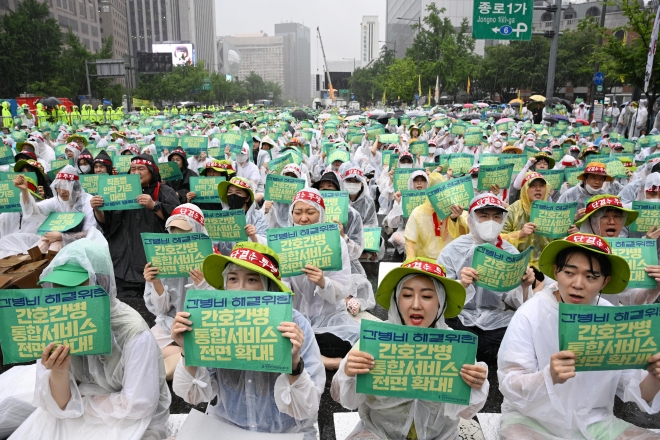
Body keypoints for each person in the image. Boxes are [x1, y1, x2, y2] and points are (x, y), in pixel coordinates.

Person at [497, 233, 660, 439]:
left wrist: (654, 378)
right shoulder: (531, 312)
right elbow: (510, 381)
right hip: (532, 419)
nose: (578, 284)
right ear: (556, 272)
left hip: (594, 422)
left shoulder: (611, 318)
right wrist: (548, 376)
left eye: (591, 277)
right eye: (570, 273)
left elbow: (635, 387)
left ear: (605, 281)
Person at [8, 236, 170, 440]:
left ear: (102, 282)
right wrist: (59, 372)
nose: (67, 296)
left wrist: (82, 403)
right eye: (60, 287)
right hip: (83, 409)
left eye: (76, 286)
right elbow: (60, 404)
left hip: (128, 419)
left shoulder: (132, 332)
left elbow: (139, 404)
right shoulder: (54, 325)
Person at [170, 242, 325, 439]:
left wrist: (294, 363)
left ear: (268, 286)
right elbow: (193, 395)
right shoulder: (213, 319)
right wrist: (188, 349)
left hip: (285, 432)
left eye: (252, 280)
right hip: (227, 427)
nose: (240, 288)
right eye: (233, 279)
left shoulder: (294, 324)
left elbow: (306, 408)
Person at [332, 257, 489, 440]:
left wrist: (476, 384)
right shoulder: (377, 339)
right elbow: (340, 396)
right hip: (379, 433)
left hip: (440, 435)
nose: (416, 304)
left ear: (441, 302)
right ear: (396, 301)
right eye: (407, 295)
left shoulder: (455, 346)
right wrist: (348, 372)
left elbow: (467, 411)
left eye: (427, 296)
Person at [437, 194, 535, 363]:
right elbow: (438, 293)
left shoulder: (510, 252)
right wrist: (461, 284)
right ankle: (488, 354)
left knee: (521, 329)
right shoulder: (453, 249)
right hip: (460, 316)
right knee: (442, 327)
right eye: (484, 216)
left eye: (496, 217)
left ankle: (476, 353)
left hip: (495, 317)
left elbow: (514, 301)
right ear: (472, 219)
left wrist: (524, 286)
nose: (491, 222)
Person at [285, 188, 358, 370]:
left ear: (321, 214)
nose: (303, 218)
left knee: (350, 342)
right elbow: (277, 284)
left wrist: (323, 283)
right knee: (282, 338)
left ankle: (308, 358)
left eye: (310, 212)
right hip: (294, 319)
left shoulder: (336, 241)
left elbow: (343, 288)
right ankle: (327, 362)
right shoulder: (283, 242)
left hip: (328, 318)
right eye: (298, 212)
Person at [90, 154, 180, 297]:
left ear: (152, 171)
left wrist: (155, 206)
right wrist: (97, 208)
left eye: (141, 168)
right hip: (123, 264)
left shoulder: (165, 191)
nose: (136, 172)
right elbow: (106, 222)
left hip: (155, 264)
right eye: (132, 169)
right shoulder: (118, 191)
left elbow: (178, 221)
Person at [143, 204, 211, 379]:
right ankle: (184, 355)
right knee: (143, 348)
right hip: (170, 323)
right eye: (173, 229)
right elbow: (160, 310)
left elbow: (218, 305)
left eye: (184, 230)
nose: (177, 235)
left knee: (151, 363)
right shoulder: (159, 259)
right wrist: (156, 282)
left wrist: (203, 284)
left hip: (202, 326)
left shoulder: (213, 260)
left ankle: (181, 359)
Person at [14, 165, 96, 252]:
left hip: (82, 247)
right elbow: (33, 211)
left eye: (65, 187)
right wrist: (24, 191)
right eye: (58, 187)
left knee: (56, 244)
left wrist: (62, 236)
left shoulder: (88, 202)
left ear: (75, 186)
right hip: (56, 240)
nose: (61, 191)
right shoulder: (58, 201)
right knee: (44, 240)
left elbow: (90, 233)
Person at [404, 172, 469, 260]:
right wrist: (410, 262)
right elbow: (410, 241)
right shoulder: (418, 212)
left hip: (452, 260)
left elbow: (466, 235)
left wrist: (455, 219)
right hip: (427, 261)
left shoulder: (459, 210)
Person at [501, 172, 554, 269]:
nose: (538, 189)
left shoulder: (553, 211)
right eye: (533, 186)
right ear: (525, 189)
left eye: (542, 186)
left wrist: (570, 233)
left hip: (547, 266)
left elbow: (559, 241)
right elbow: (498, 239)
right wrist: (519, 235)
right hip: (517, 265)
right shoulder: (512, 210)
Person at [215, 176, 267, 255]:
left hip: (250, 261)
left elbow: (266, 244)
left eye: (238, 193)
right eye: (230, 192)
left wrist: (254, 237)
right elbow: (213, 242)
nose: (233, 196)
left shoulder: (258, 216)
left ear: (247, 198)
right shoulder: (220, 216)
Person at [558, 162, 623, 222]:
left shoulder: (603, 196)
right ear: (584, 179)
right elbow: (557, 217)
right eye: (593, 178)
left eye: (601, 179)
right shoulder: (569, 194)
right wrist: (574, 218)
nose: (597, 182)